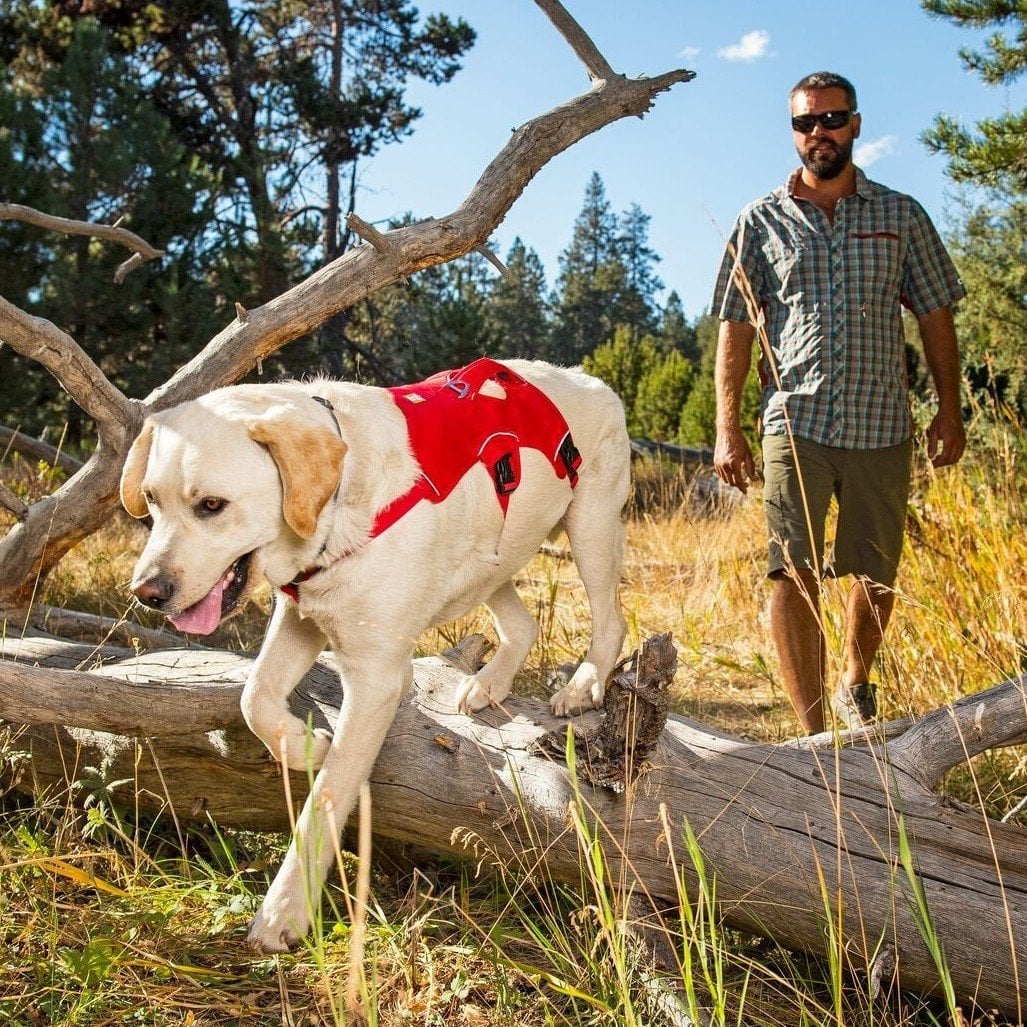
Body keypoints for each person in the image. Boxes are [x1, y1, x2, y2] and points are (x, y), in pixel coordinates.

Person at [710, 71, 966, 735]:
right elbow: (735, 327)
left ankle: (855, 680)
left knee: (874, 570)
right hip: (793, 420)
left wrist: (949, 408)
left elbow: (935, 313)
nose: (817, 132)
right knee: (790, 569)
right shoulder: (759, 221)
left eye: (830, 119)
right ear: (793, 132)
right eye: (805, 122)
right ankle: (814, 735)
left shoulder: (901, 215)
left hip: (882, 422)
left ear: (855, 124)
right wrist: (727, 428)